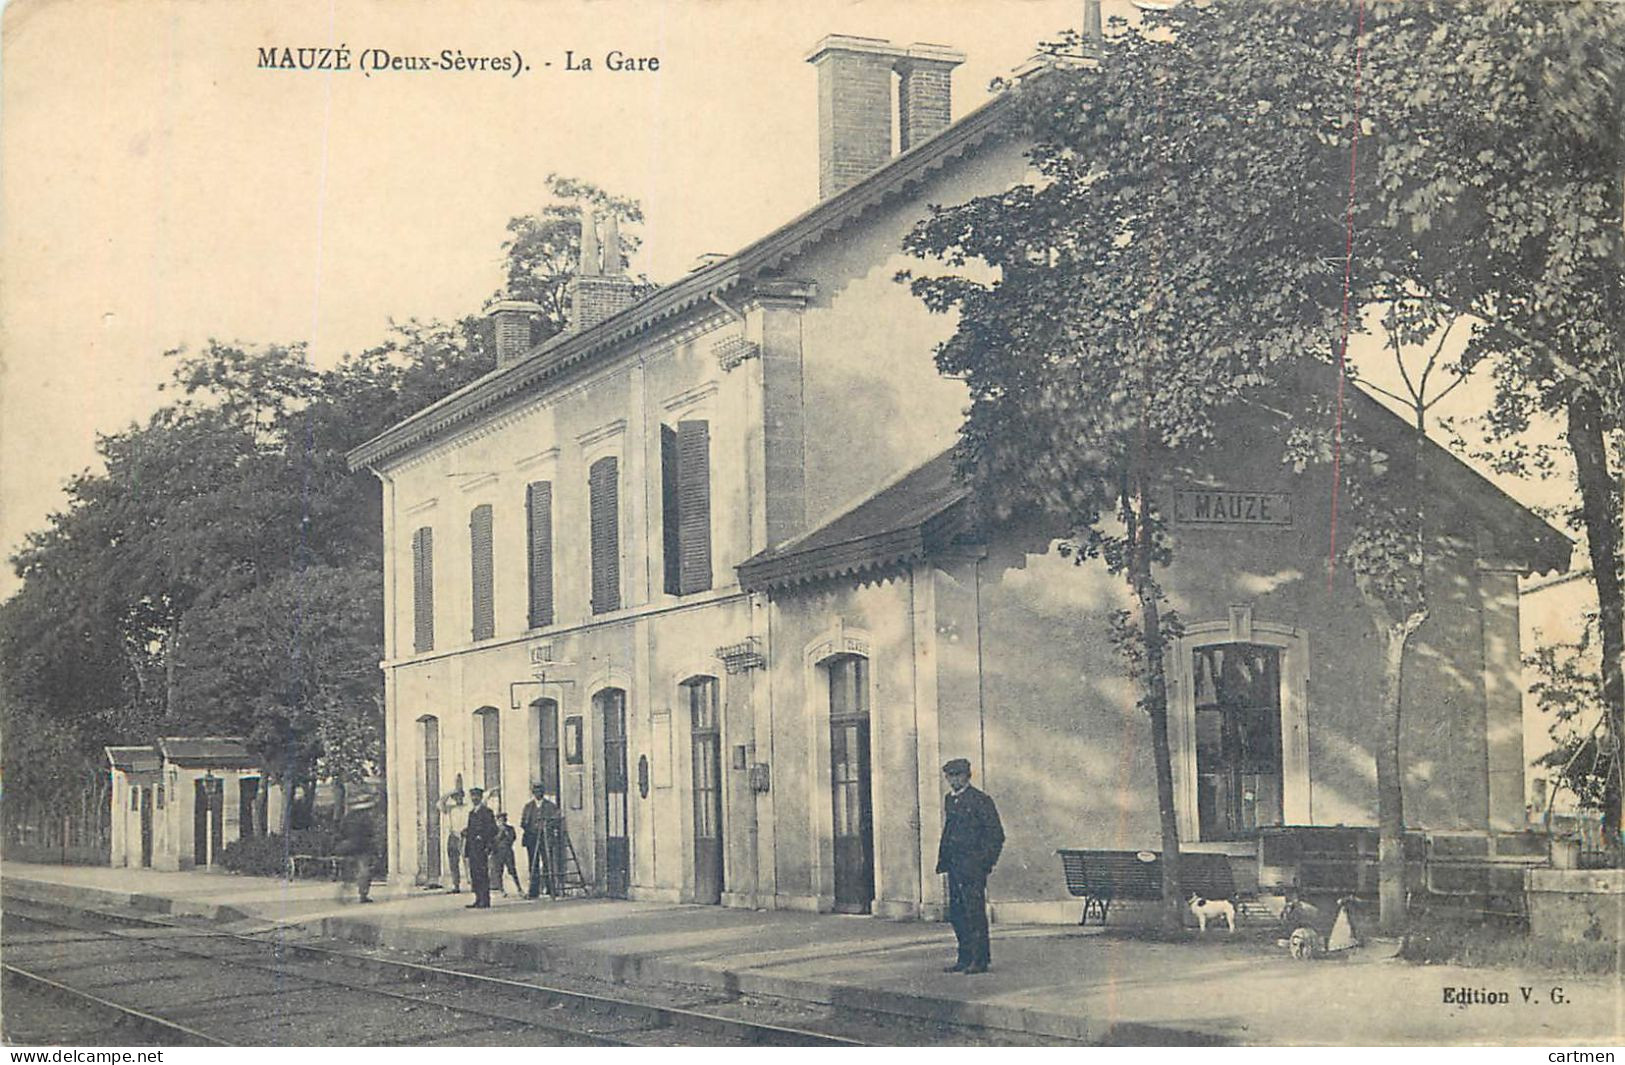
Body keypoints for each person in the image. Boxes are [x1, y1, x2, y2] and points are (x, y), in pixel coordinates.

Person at [935, 758, 1004, 974]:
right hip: (954, 866)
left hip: (972, 867)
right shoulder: (950, 800)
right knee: (957, 913)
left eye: (958, 775)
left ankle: (979, 960)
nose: (954, 780)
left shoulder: (980, 800)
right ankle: (964, 957)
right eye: (950, 776)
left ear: (968, 776)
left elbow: (996, 835)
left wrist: (984, 863)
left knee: (974, 912)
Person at [520, 783, 561, 899]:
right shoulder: (528, 807)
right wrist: (531, 828)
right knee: (533, 864)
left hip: (546, 838)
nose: (537, 793)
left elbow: (556, 819)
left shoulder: (550, 806)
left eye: (540, 791)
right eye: (535, 791)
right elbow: (523, 822)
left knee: (548, 862)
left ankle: (551, 888)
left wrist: (547, 825)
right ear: (533, 793)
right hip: (532, 838)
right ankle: (534, 891)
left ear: (543, 792)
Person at [336, 796, 378, 904]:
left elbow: (341, 831)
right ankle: (363, 894)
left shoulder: (347, 817)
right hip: (363, 846)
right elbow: (371, 832)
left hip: (348, 846)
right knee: (365, 870)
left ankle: (346, 885)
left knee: (349, 867)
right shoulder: (367, 818)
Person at [463, 787, 498, 909]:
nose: (474, 798)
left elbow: (493, 829)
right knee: (474, 873)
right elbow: (471, 830)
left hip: (482, 847)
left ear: (481, 797)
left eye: (477, 796)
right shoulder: (472, 813)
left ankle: (485, 899)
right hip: (473, 848)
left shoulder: (487, 812)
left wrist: (483, 838)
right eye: (473, 796)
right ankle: (478, 898)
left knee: (482, 873)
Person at [491, 812, 523, 896]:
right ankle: (501, 890)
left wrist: (506, 833)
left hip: (508, 852)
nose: (502, 822)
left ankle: (519, 888)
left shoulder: (510, 829)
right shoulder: (494, 830)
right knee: (498, 871)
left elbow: (512, 839)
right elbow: (493, 841)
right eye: (500, 820)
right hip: (497, 853)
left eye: (503, 820)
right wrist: (500, 833)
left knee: (512, 870)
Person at [444, 827, 464, 893]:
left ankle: (474, 885)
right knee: (453, 861)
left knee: (466, 860)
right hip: (453, 833)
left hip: (461, 833)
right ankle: (456, 884)